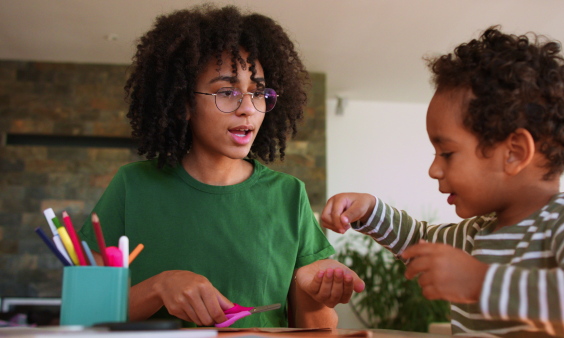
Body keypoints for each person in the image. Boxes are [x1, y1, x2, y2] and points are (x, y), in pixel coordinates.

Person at [78, 4, 364, 329]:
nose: (248, 109)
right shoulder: (132, 186)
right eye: (227, 92)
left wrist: (317, 292)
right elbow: (85, 316)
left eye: (257, 93)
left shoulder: (288, 195)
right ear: (184, 103)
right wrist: (160, 287)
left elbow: (315, 329)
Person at [322, 27, 564, 337]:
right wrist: (371, 211)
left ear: (515, 153)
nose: (434, 169)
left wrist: (481, 283)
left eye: (448, 153)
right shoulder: (478, 232)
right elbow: (419, 241)